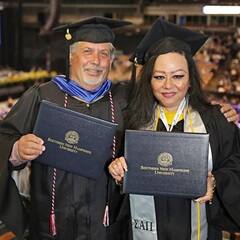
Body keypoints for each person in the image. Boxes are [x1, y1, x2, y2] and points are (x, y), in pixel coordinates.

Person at [0, 16, 131, 240]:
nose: (96, 61)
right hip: (51, 225)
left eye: (104, 54)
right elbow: (4, 138)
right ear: (72, 57)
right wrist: (16, 151)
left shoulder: (124, 100)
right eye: (88, 51)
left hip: (107, 227)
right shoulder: (42, 96)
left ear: (111, 60)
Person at [109, 18, 240, 240]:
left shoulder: (216, 121)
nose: (168, 86)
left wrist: (216, 182)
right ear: (149, 81)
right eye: (159, 77)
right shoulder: (131, 121)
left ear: (190, 80)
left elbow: (236, 165)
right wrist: (117, 172)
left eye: (178, 76)